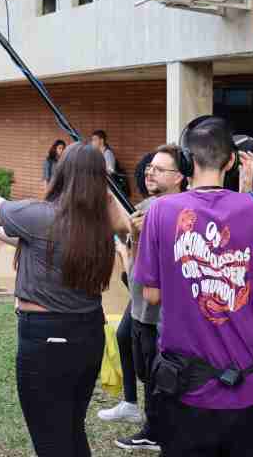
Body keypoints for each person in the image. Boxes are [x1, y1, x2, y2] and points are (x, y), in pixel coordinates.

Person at [0, 141, 130, 457]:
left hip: (47, 341)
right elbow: (45, 243)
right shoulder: (97, 225)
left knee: (51, 439)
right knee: (71, 428)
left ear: (62, 173)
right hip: (88, 335)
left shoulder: (42, 215)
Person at [133, 116, 253, 457]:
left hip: (186, 390)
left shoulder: (160, 211)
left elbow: (152, 295)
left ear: (188, 162)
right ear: (231, 161)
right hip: (250, 388)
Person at [109, 144, 185, 453]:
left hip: (158, 310)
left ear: (179, 177)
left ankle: (157, 432)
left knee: (158, 375)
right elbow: (136, 268)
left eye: (159, 169)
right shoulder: (148, 207)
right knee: (145, 368)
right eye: (150, 167)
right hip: (141, 303)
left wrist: (135, 240)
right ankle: (149, 421)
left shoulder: (175, 212)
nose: (149, 173)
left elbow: (150, 270)